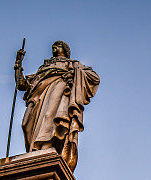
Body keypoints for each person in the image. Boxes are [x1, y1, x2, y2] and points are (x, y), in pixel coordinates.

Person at [14, 41, 100, 171]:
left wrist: (74, 74)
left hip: (58, 88)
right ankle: (35, 150)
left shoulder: (71, 64)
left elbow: (94, 78)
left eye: (58, 45)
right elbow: (22, 85)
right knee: (26, 124)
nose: (54, 47)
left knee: (50, 118)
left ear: (64, 50)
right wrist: (18, 66)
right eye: (53, 45)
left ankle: (45, 148)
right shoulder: (43, 69)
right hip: (37, 96)